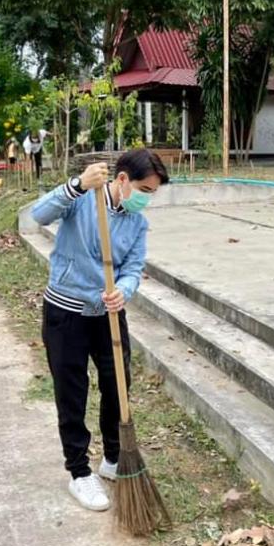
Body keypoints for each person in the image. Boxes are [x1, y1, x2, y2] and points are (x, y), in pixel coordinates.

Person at [31, 149, 169, 512]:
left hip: (108, 314)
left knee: (117, 384)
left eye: (153, 192)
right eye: (144, 189)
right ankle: (79, 472)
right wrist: (75, 186)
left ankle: (112, 457)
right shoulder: (83, 200)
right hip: (66, 314)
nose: (146, 198)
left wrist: (123, 289)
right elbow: (38, 214)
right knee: (72, 391)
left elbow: (134, 266)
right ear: (121, 180)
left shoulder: (137, 222)